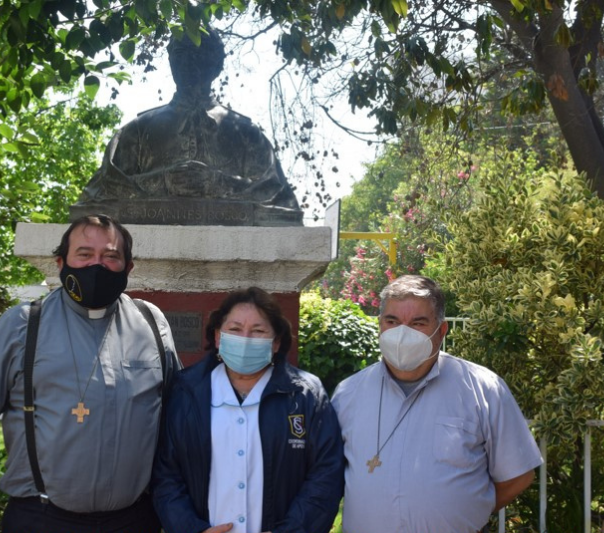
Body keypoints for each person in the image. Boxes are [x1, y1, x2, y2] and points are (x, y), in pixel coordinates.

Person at [0, 214, 180, 533]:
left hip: (134, 519)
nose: (97, 266)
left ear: (128, 268)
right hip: (42, 518)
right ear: (61, 262)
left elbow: (176, 417)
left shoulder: (151, 323)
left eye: (111, 256)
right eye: (84, 254)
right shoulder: (23, 325)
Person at [332, 275, 542, 533]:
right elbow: (326, 476)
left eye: (417, 323)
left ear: (441, 331)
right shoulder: (348, 393)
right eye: (392, 321)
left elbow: (518, 475)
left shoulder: (483, 389)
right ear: (380, 326)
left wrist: (470, 513)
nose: (402, 333)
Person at [151, 287, 343, 533]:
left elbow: (325, 475)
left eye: (258, 331)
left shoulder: (306, 395)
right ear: (218, 337)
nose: (246, 339)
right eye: (235, 329)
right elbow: (166, 474)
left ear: (276, 343)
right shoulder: (186, 391)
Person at [75, 27, 302, 219]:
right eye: (179, 52)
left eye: (196, 51)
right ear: (171, 59)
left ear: (216, 64)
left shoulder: (246, 134)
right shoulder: (137, 130)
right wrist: (162, 182)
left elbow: (276, 197)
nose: (186, 61)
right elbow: (101, 193)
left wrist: (217, 183)